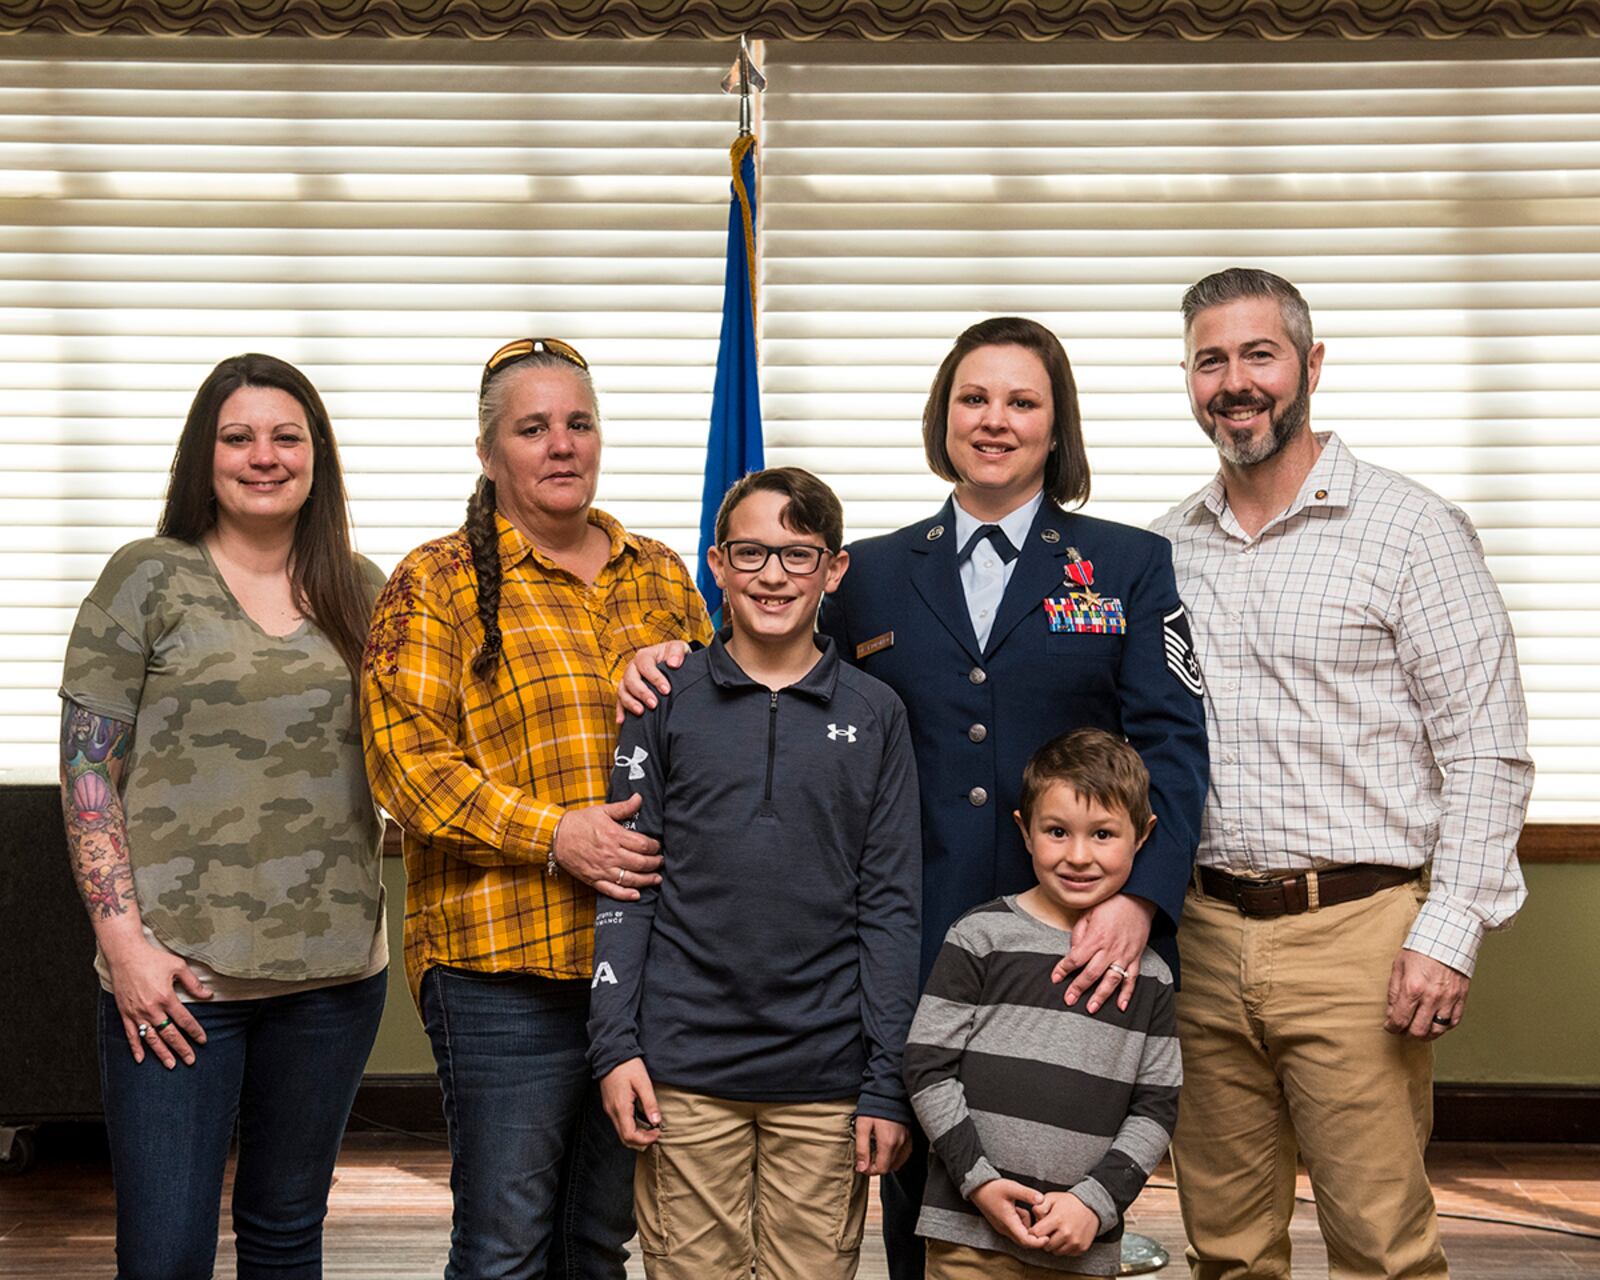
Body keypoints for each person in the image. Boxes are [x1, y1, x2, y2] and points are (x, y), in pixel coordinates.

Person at [619, 316, 1208, 1279]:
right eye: (974, 398)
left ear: (1057, 427)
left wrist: (1140, 901)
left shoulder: (1126, 566)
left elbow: (1174, 746)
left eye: (1023, 402)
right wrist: (666, 653)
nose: (995, 421)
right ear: (944, 416)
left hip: (1071, 945)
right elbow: (776, 670)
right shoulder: (876, 571)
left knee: (1047, 1202)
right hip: (910, 941)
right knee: (906, 1196)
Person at [1152, 267, 1534, 1279]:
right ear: (1189, 380)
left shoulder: (1412, 530)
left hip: (1359, 936)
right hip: (1201, 935)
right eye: (1210, 359)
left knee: (1381, 1245)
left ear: (1309, 365)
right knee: (1226, 1246)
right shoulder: (1161, 551)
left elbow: (1486, 747)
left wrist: (1445, 936)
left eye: (1258, 354)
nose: (1235, 381)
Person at [361, 337, 713, 1280]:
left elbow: (724, 741)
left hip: (641, 968)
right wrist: (557, 833)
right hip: (500, 966)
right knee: (505, 1244)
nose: (562, 445)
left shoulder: (663, 576)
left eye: (579, 422)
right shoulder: (434, 582)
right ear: (488, 453)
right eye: (532, 428)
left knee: (600, 1240)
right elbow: (404, 769)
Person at [58, 353, 389, 1280]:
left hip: (332, 981)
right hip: (176, 988)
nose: (263, 456)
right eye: (237, 437)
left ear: (317, 454)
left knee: (287, 1238)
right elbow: (88, 775)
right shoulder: (147, 578)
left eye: (287, 436)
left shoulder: (362, 590)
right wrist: (124, 947)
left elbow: (427, 748)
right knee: (164, 1256)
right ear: (203, 456)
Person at [588, 467, 922, 1280]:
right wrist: (613, 1046)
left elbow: (889, 908)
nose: (774, 574)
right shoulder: (662, 700)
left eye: (799, 555)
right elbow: (626, 887)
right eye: (752, 552)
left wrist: (886, 1084)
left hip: (825, 1079)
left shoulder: (876, 715)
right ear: (718, 564)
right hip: (684, 1073)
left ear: (834, 571)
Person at [905, 727, 1181, 1279]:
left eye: (1103, 835)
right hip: (968, 1237)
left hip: (1079, 1242)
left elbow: (1156, 1108)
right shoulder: (980, 936)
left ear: (1143, 836)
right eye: (1057, 831)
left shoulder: (1147, 974)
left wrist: (1095, 1204)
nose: (1078, 856)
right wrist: (977, 1180)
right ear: (1024, 832)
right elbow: (927, 1065)